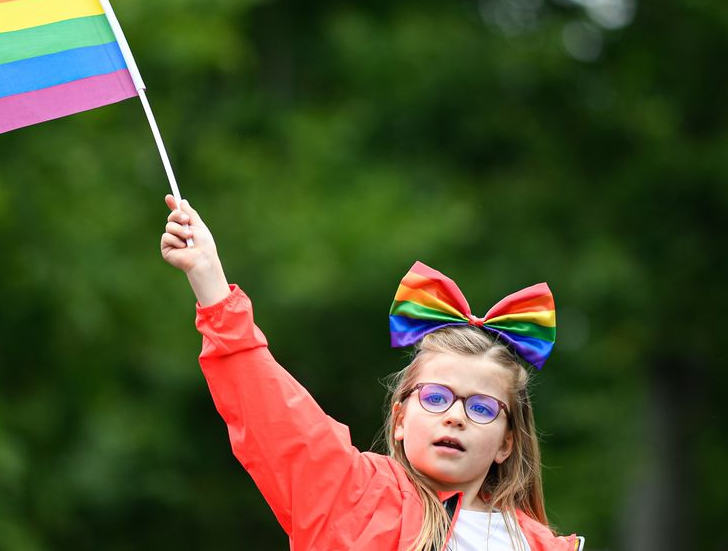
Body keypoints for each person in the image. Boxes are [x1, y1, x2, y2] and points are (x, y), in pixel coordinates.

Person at [160, 195, 585, 551]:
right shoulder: (350, 495)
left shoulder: (540, 545)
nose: (455, 416)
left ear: (506, 443)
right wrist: (209, 279)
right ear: (400, 419)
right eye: (436, 398)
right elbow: (273, 411)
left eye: (481, 407)